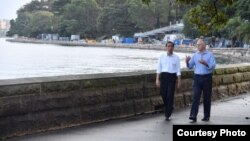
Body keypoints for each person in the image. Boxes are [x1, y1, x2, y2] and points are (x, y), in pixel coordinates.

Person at [186, 39, 216, 122]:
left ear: (204, 45)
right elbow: (190, 66)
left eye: (199, 44)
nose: (197, 46)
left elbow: (213, 66)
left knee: (207, 97)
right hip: (197, 77)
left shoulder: (210, 55)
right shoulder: (195, 55)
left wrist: (205, 63)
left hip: (207, 77)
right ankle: (193, 116)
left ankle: (206, 116)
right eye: (197, 45)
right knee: (195, 97)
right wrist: (187, 62)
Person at [156, 41, 181, 121]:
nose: (170, 48)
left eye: (171, 46)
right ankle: (169, 107)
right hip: (164, 76)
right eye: (168, 46)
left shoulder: (176, 57)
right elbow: (158, 68)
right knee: (163, 95)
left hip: (172, 77)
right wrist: (157, 79)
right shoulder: (162, 56)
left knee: (170, 95)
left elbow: (178, 70)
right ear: (166, 47)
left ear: (173, 47)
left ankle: (168, 114)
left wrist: (179, 80)